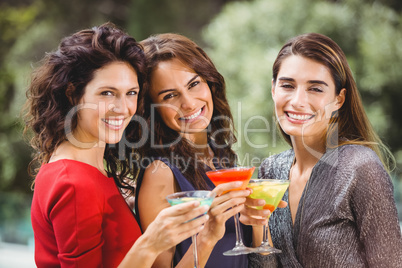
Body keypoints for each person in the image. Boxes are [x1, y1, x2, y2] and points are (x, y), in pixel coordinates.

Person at [23, 23, 212, 268]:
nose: (123, 109)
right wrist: (150, 243)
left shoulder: (84, 170)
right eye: (107, 93)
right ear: (72, 94)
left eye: (131, 93)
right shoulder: (74, 183)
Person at [241, 33, 402, 267]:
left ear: (339, 98)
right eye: (287, 85)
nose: (297, 100)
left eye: (315, 89)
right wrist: (258, 224)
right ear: (273, 89)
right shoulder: (271, 171)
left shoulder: (358, 167)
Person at [129, 33, 259, 267]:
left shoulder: (223, 157)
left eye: (194, 84)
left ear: (210, 82)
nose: (188, 103)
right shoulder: (160, 173)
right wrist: (207, 236)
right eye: (170, 95)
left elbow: (248, 254)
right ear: (152, 108)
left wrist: (259, 219)